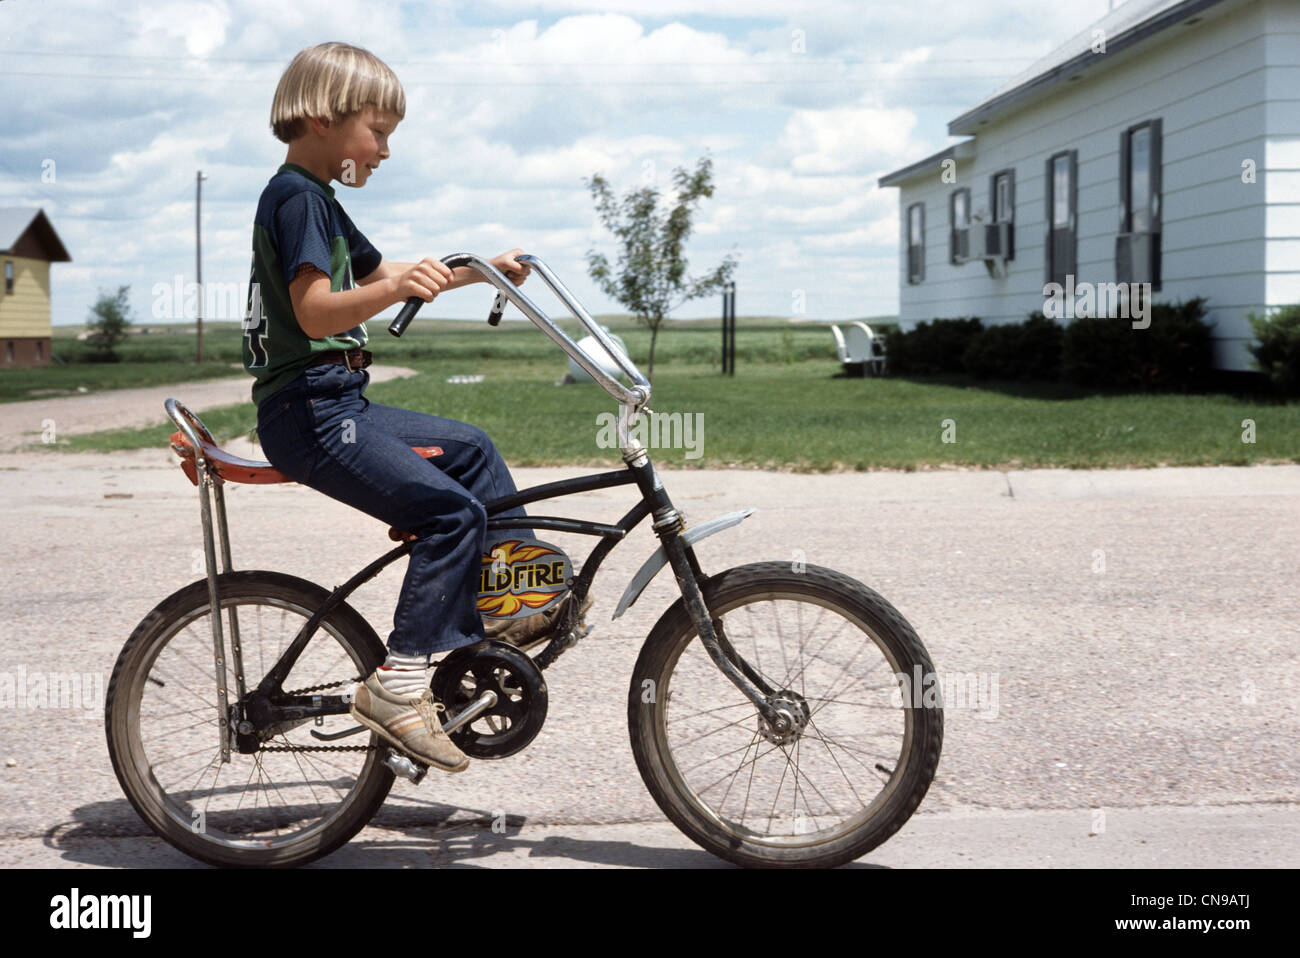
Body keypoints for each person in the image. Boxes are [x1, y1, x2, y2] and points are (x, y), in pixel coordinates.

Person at [244, 41, 582, 775]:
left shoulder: (318, 200)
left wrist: (476, 269)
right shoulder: (298, 198)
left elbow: (385, 272)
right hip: (309, 413)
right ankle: (397, 687)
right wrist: (401, 291)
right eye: (380, 131)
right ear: (325, 117)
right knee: (450, 512)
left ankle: (504, 602)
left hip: (335, 402)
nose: (387, 150)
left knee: (472, 450)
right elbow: (314, 314)